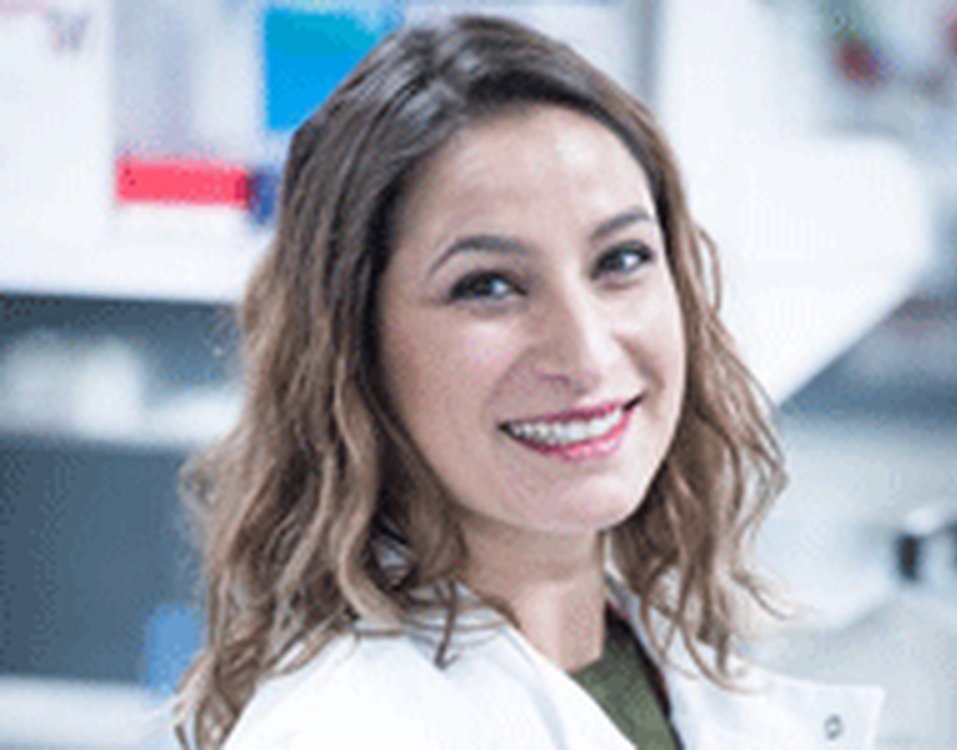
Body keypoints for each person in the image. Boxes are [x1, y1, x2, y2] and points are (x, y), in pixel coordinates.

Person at [175, 14, 883, 750]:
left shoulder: (655, 667)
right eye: (487, 285)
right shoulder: (340, 733)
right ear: (353, 347)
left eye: (621, 260)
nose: (586, 354)